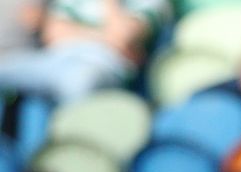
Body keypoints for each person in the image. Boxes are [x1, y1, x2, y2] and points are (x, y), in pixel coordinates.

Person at [0, 0, 170, 104]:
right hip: (53, 61)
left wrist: (109, 4)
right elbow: (52, 33)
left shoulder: (152, 2)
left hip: (100, 67)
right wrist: (107, 38)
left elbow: (123, 36)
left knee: (78, 82)